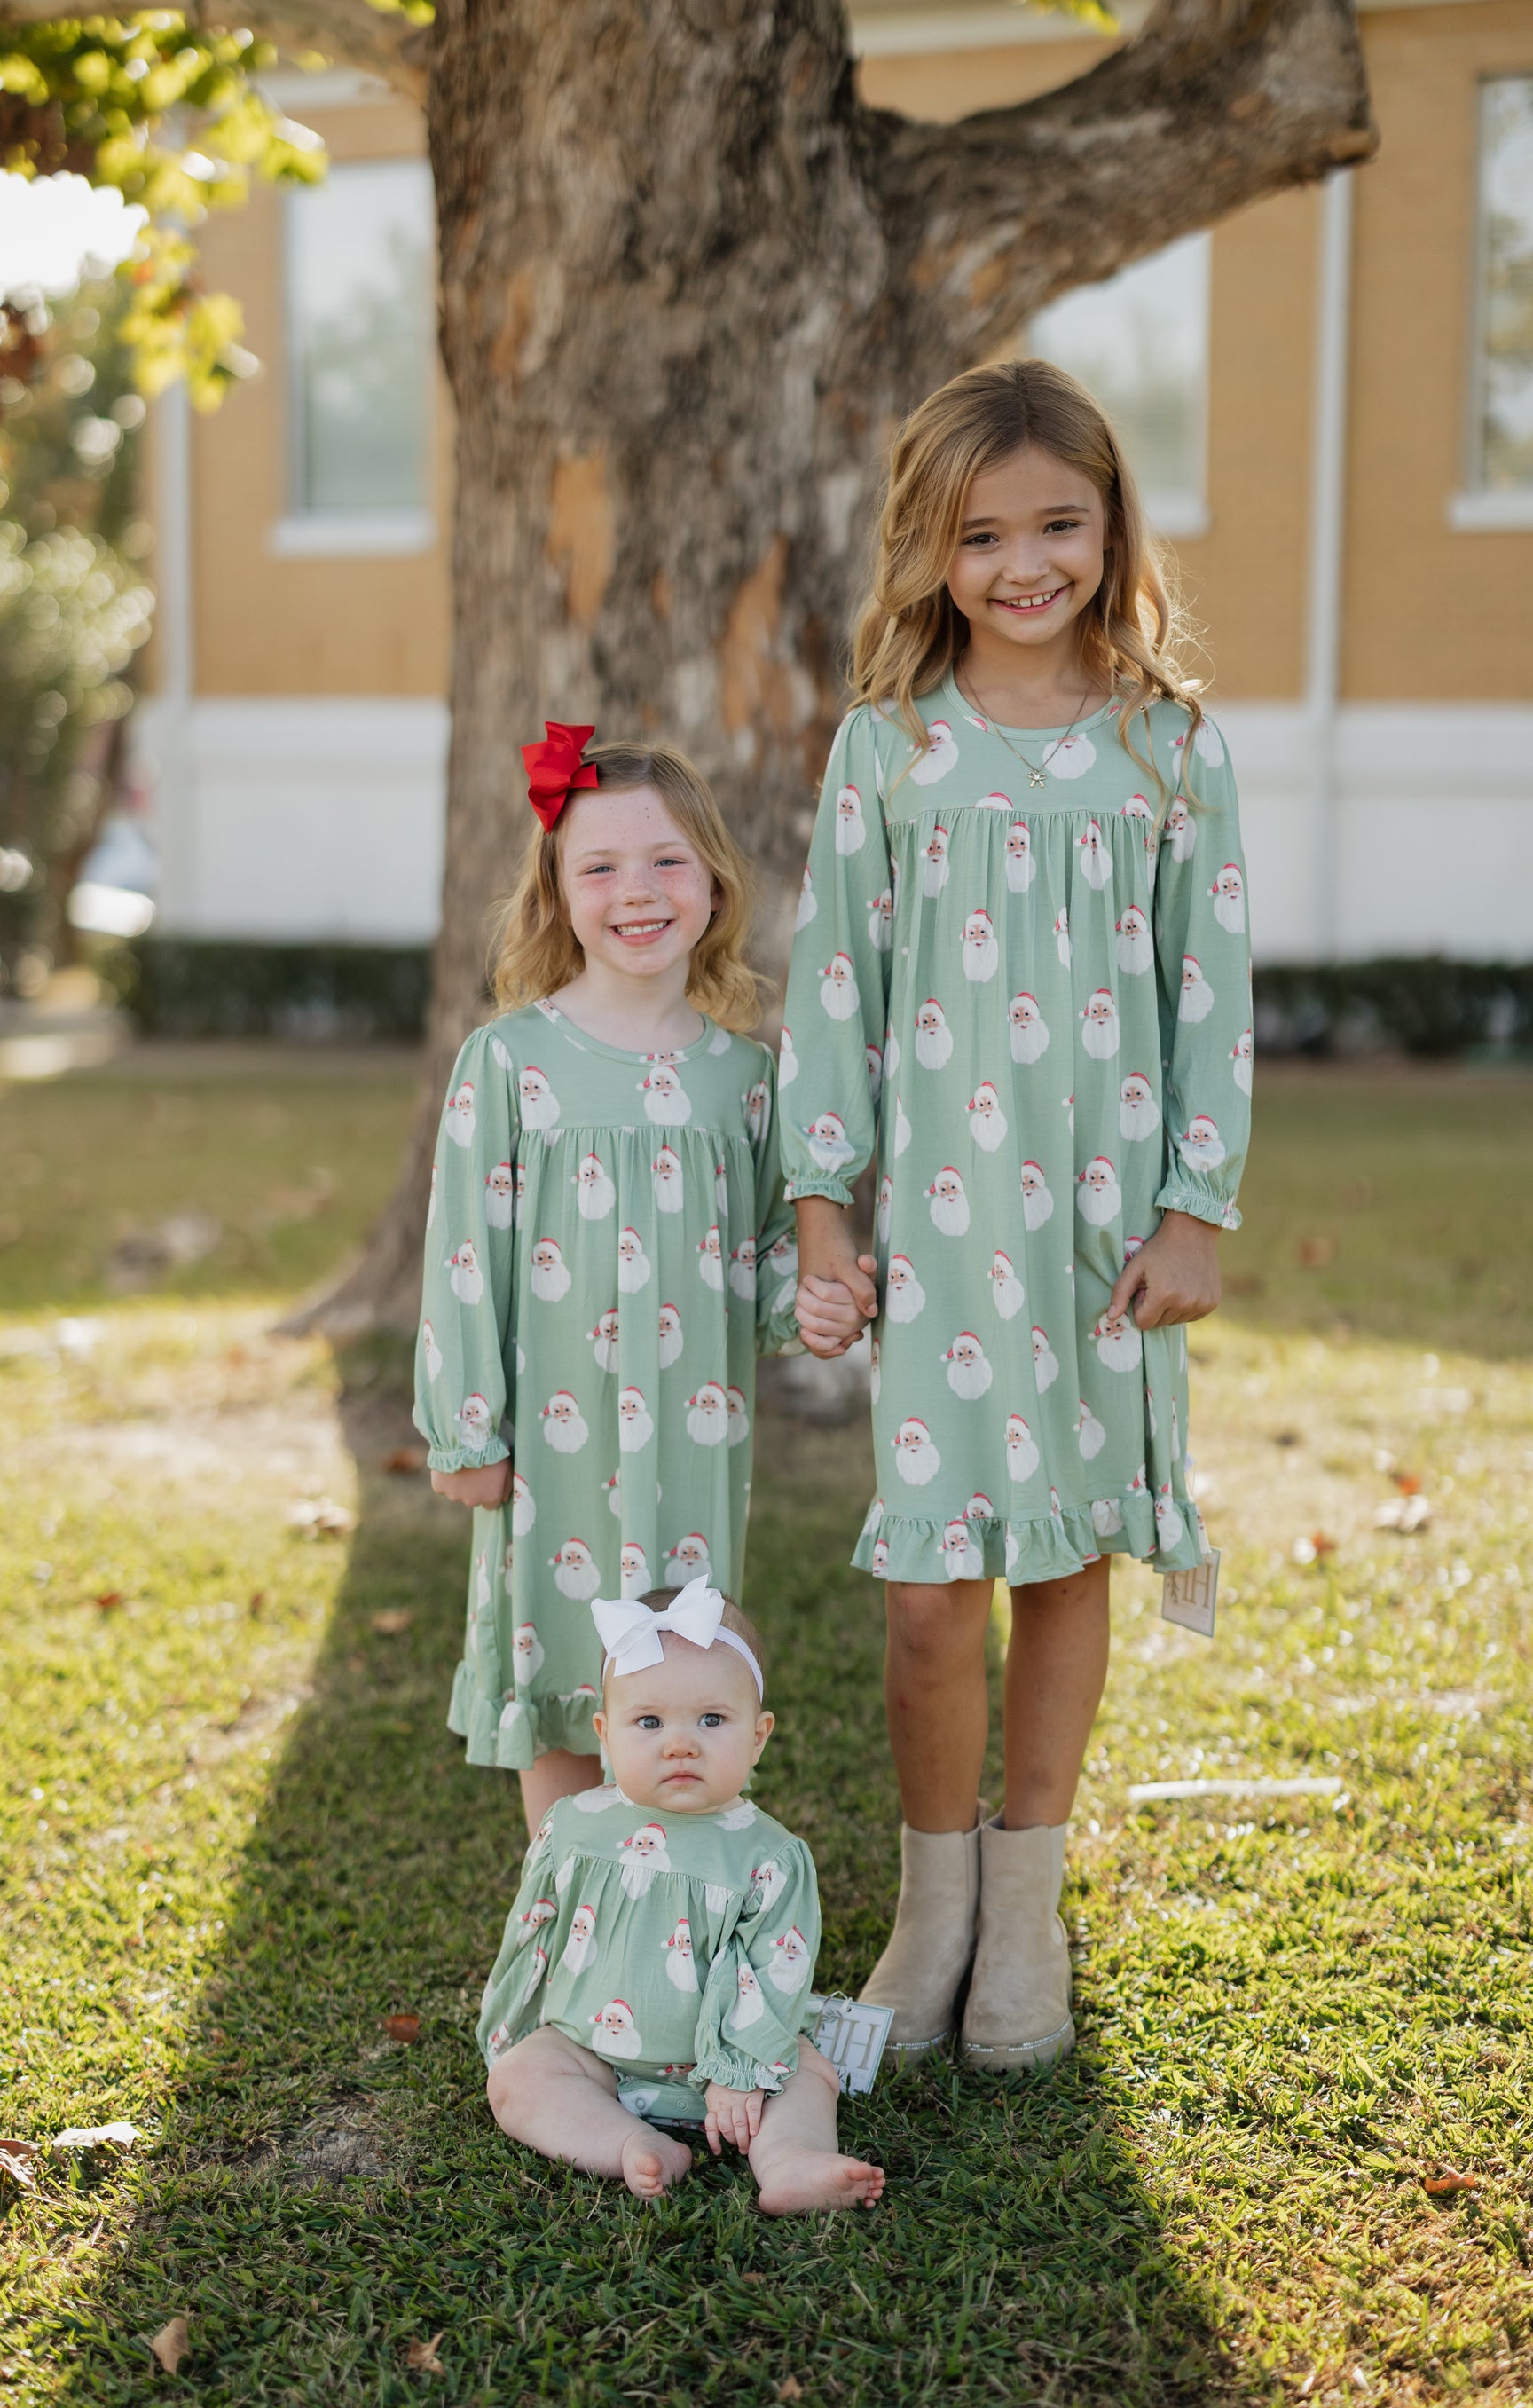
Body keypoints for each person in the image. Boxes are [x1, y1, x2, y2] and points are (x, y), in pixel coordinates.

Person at [777, 358, 1253, 2074]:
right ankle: (933, 1905)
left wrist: (1197, 1208)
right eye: (985, 533)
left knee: (1060, 1553)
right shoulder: (890, 750)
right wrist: (824, 1213)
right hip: (945, 1231)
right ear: (934, 548)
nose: (1025, 560)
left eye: (1059, 521)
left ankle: (1028, 1903)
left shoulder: (1166, 744)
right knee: (929, 1581)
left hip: (1107, 1230)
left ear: (1112, 525)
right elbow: (833, 986)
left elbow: (1213, 991)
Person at [414, 727, 798, 1837]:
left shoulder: (743, 1079)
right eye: (599, 867)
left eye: (666, 860)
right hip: (552, 1448)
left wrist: (814, 1297)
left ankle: (666, 1916)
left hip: (692, 1438)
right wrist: (466, 1431)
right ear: (556, 893)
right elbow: (461, 1260)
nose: (636, 891)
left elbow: (767, 1255)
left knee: (676, 1677)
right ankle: (566, 1917)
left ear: (715, 884)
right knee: (562, 1673)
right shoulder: (511, 1063)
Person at [478, 1580, 885, 2212]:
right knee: (516, 2079)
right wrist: (513, 2027)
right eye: (648, 1721)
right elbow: (533, 1932)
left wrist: (739, 2072)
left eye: (712, 1719)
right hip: (593, 2052)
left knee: (810, 2074)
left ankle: (790, 2159)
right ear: (604, 1733)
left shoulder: (767, 1854)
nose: (680, 1742)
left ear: (758, 1734)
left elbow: (778, 1970)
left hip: (731, 2069)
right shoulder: (573, 1826)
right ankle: (628, 2142)